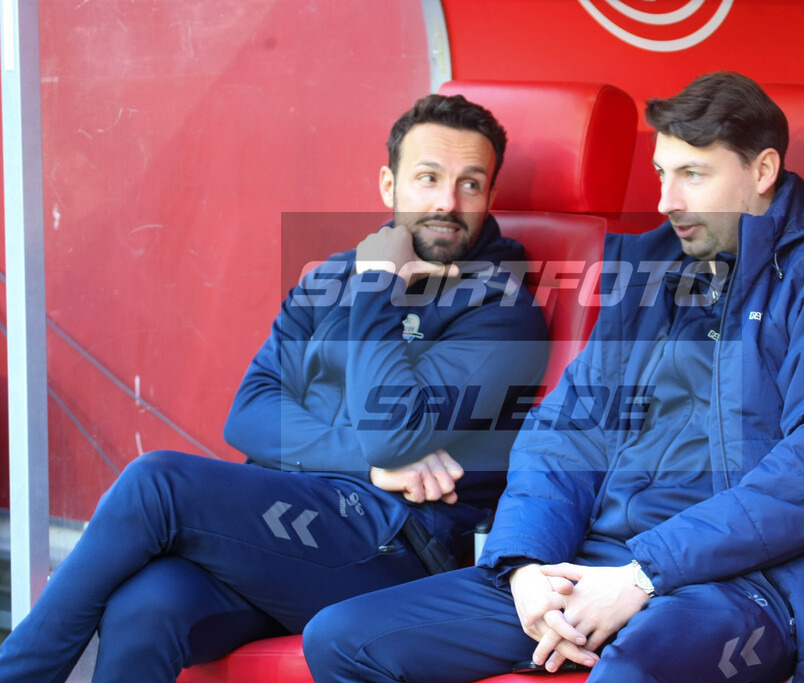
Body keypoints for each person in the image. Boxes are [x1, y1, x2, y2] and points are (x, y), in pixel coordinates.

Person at [301, 71, 804, 682]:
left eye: (693, 175)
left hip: (745, 584)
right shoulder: (657, 271)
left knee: (634, 669)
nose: (666, 201)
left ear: (761, 172)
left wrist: (642, 577)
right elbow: (566, 431)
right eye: (662, 173)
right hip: (593, 564)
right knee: (347, 640)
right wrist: (526, 565)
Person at [0, 93, 548, 682]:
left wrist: (378, 290)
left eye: (470, 184)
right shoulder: (336, 275)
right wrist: (368, 464)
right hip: (285, 527)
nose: (447, 201)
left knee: (158, 481)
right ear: (389, 185)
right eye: (428, 178)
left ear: (490, 196)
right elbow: (250, 411)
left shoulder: (502, 309)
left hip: (393, 547)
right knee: (149, 604)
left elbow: (393, 433)